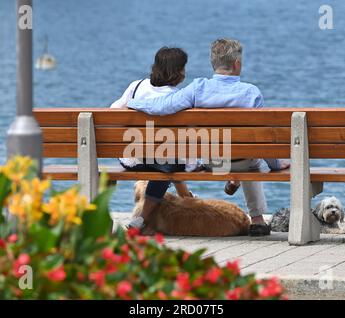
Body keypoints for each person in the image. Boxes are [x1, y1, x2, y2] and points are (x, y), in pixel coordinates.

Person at [128, 38, 290, 236]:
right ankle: (256, 219)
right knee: (252, 157)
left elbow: (163, 106)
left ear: (213, 64)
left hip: (212, 160)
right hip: (243, 162)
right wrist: (276, 165)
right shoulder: (251, 93)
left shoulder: (198, 88)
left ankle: (234, 179)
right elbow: (262, 139)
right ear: (237, 64)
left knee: (227, 149)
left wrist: (134, 103)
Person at [110, 47, 195, 229]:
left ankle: (185, 197)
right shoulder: (176, 98)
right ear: (177, 72)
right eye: (183, 68)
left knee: (167, 161)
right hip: (161, 160)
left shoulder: (136, 86)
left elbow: (112, 113)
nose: (184, 73)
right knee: (169, 164)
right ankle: (142, 218)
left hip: (132, 158)